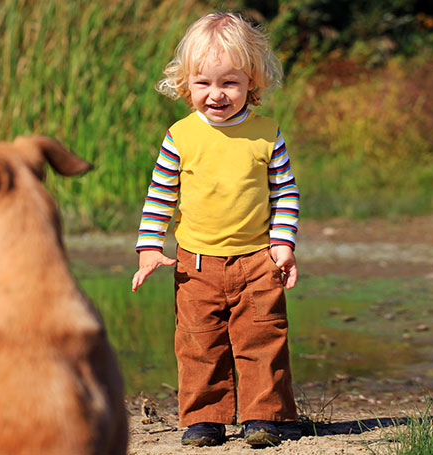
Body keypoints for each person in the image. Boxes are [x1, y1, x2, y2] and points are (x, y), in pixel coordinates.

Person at [131, 12, 300, 447]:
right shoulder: (181, 136)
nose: (217, 94)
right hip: (196, 263)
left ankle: (265, 417)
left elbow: (284, 195)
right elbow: (161, 195)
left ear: (252, 83)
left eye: (230, 82)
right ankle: (205, 418)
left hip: (258, 261)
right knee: (199, 344)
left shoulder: (266, 136)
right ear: (187, 83)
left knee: (262, 339)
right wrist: (149, 248)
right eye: (204, 82)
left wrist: (283, 244)